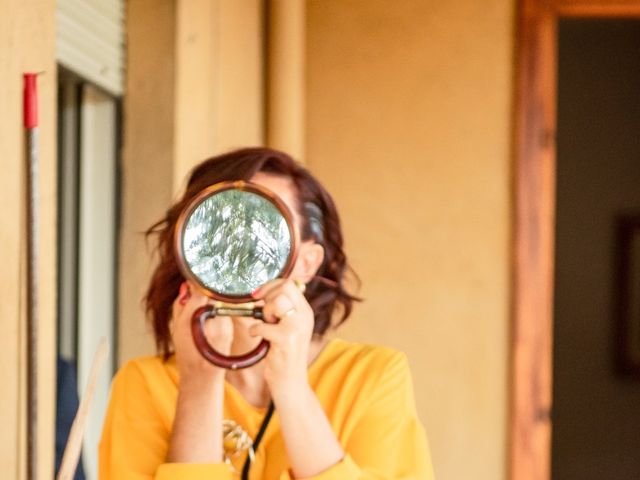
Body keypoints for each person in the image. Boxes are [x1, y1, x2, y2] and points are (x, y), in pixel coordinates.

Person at [99, 147, 434, 479]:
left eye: (265, 231)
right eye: (219, 229)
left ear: (306, 262)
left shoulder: (371, 378)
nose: (239, 250)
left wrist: (291, 387)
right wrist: (199, 384)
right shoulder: (144, 384)